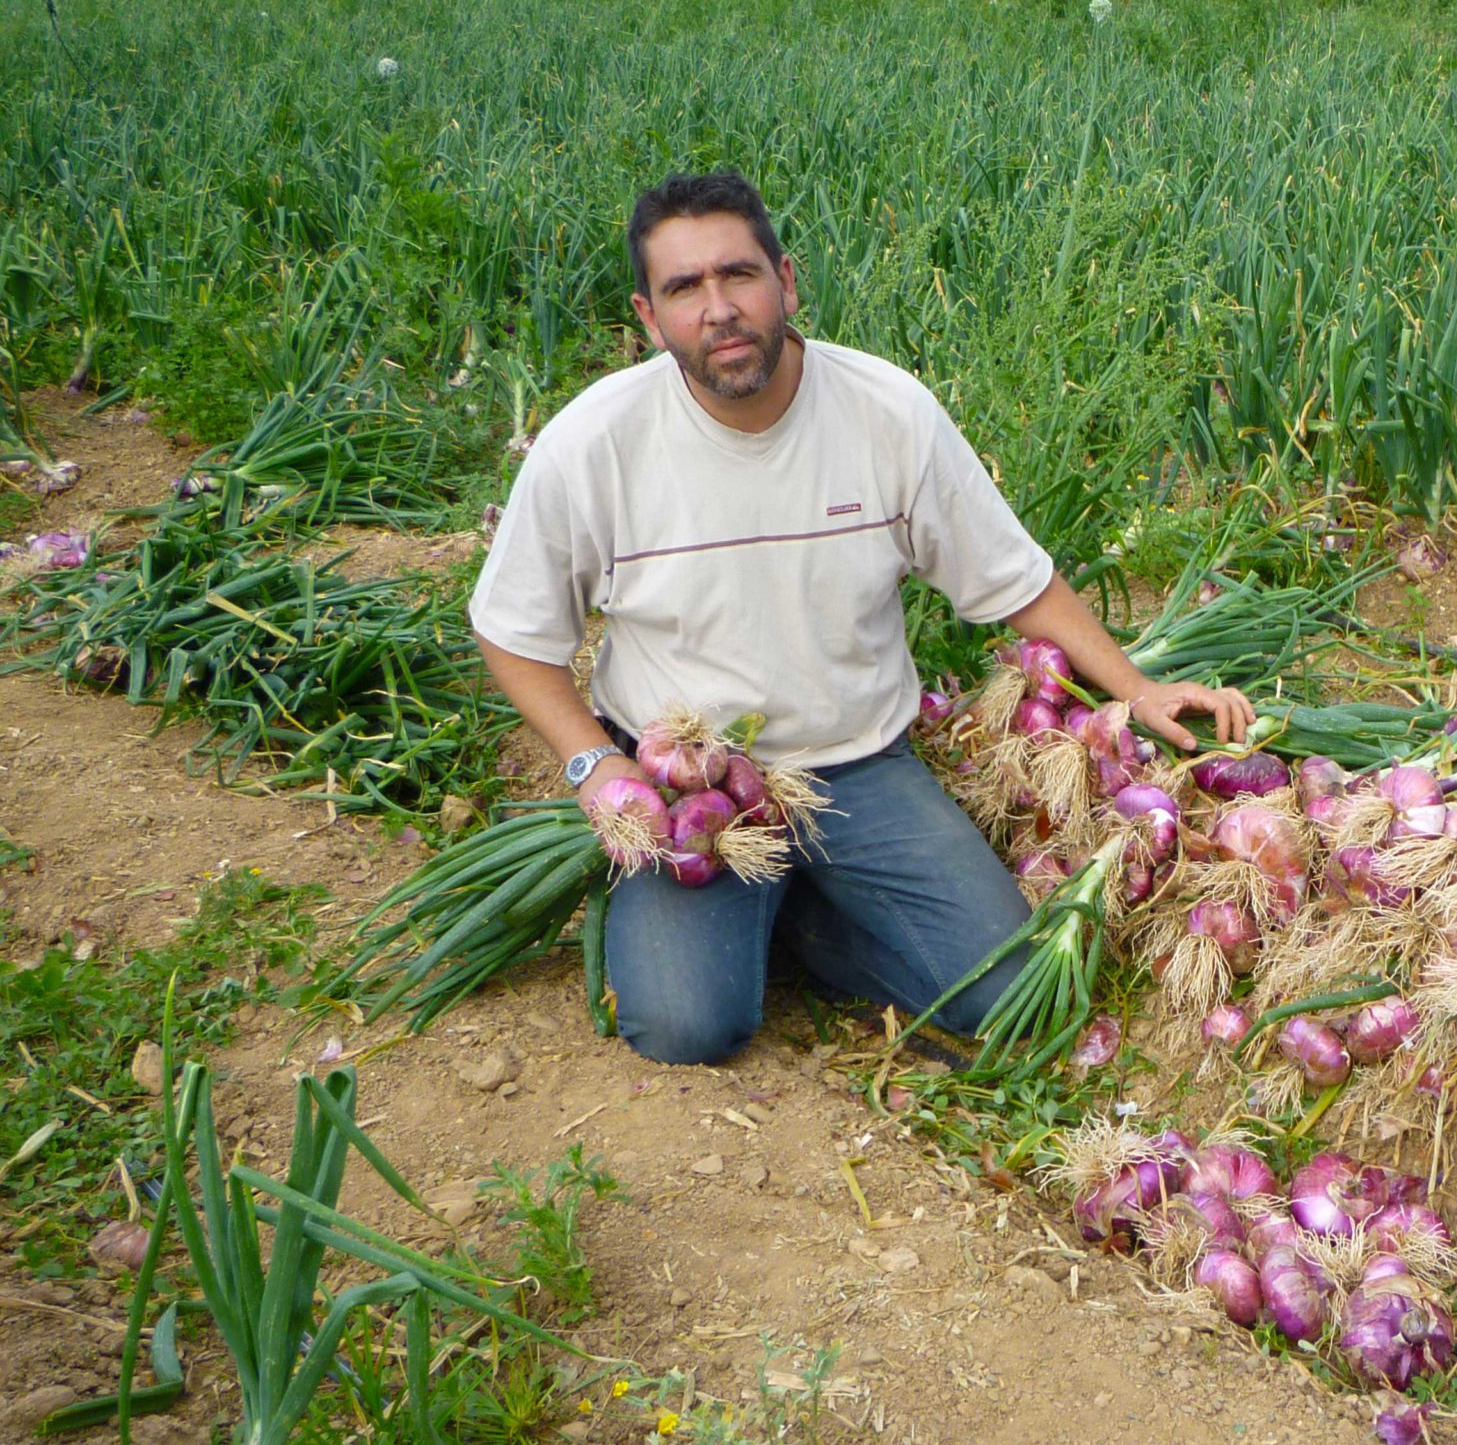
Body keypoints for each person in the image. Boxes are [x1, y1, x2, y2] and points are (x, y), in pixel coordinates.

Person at [468, 169, 1251, 1065]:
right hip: (695, 788)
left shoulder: (886, 413)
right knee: (685, 1027)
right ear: (649, 319)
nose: (719, 308)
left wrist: (1138, 688)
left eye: (739, 275)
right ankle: (753, 921)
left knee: (1009, 997)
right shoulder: (593, 444)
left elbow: (1013, 581)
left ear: (787, 281)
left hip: (857, 765)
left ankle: (798, 918)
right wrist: (595, 765)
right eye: (685, 289)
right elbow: (513, 633)